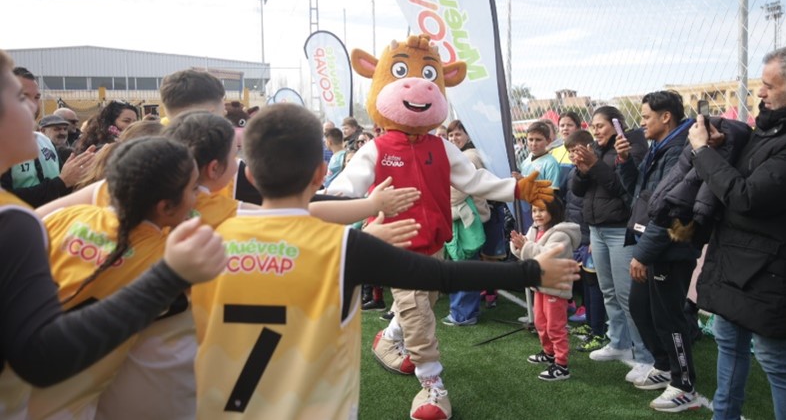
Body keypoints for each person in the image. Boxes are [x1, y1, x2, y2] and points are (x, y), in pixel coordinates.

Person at [189, 103, 580, 419]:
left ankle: (391, 335)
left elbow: (470, 183)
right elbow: (446, 276)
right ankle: (432, 383)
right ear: (321, 172)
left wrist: (369, 213)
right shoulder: (345, 245)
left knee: (420, 304)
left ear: (248, 177)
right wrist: (531, 270)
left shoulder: (204, 241)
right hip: (317, 404)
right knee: (419, 310)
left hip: (223, 405)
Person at [0, 49, 226, 419]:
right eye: (19, 97)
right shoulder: (17, 221)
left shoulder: (50, 217)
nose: (33, 110)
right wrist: (169, 276)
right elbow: (40, 358)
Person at [27, 136, 203, 420]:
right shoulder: (169, 259)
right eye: (194, 189)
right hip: (62, 407)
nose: (198, 200)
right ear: (165, 207)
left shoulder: (63, 217)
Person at [690, 47, 786, 420]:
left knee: (775, 362)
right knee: (729, 345)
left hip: (769, 273)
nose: (760, 92)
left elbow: (746, 197)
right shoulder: (767, 128)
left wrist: (702, 152)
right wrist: (720, 145)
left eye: (769, 86)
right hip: (735, 262)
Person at [615, 90, 700, 411]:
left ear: (666, 117)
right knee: (640, 307)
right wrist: (624, 161)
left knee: (668, 317)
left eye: (646, 116)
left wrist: (644, 253)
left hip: (670, 247)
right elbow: (639, 194)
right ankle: (664, 365)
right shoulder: (659, 147)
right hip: (651, 244)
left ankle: (684, 385)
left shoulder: (681, 150)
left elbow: (671, 209)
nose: (641, 122)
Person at [570, 106, 653, 376]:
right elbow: (577, 191)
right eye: (593, 126)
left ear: (617, 125)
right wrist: (582, 170)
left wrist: (594, 165)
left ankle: (646, 356)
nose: (595, 131)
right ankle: (619, 343)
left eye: (601, 125)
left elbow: (624, 189)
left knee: (628, 295)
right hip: (597, 230)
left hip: (620, 230)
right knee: (608, 291)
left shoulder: (630, 148)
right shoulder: (595, 149)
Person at [0, 68, 95, 207]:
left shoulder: (44, 140)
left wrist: (82, 176)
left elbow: (62, 188)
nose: (33, 105)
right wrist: (61, 182)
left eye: (36, 97)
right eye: (23, 96)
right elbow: (4, 201)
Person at [510, 198, 580, 381]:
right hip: (540, 284)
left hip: (555, 286)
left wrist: (524, 245)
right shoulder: (534, 229)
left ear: (554, 211)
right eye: (534, 211)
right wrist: (518, 245)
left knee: (555, 326)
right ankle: (549, 353)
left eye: (542, 210)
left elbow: (546, 255)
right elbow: (526, 253)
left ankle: (561, 365)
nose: (537, 215)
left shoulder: (562, 234)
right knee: (540, 322)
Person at [442, 119, 491, 327]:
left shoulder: (469, 157)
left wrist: (439, 199)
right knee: (464, 265)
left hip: (468, 220)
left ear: (468, 135)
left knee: (464, 265)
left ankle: (463, 313)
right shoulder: (462, 155)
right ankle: (463, 310)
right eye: (451, 135)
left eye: (458, 134)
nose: (454, 138)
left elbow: (457, 192)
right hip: (465, 218)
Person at [564, 129, 607, 351]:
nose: (573, 155)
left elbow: (593, 207)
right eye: (570, 151)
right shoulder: (574, 172)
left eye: (576, 150)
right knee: (585, 282)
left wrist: (592, 238)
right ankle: (590, 323)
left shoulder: (594, 170)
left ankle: (599, 331)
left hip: (591, 237)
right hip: (578, 236)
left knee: (595, 283)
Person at [74, 100, 139, 153]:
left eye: (135, 121)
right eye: (126, 121)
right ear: (111, 121)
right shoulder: (106, 147)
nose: (132, 125)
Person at [518, 121, 561, 186]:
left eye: (538, 140)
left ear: (548, 141)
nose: (534, 144)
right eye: (530, 140)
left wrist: (525, 181)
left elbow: (553, 190)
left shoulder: (551, 164)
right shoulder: (526, 161)